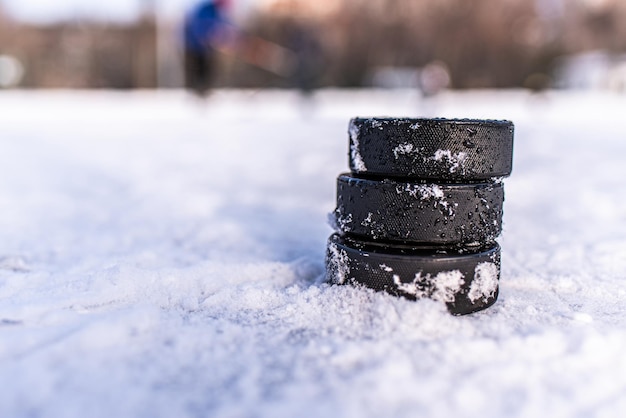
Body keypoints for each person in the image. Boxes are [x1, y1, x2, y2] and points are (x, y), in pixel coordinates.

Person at [183, 0, 230, 96]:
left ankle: (205, 90)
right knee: (198, 67)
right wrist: (205, 37)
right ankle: (197, 91)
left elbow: (222, 27)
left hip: (207, 47)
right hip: (195, 45)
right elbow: (197, 26)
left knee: (209, 68)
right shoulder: (205, 10)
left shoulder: (217, 12)